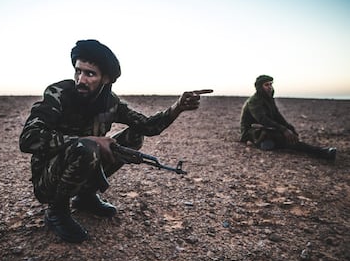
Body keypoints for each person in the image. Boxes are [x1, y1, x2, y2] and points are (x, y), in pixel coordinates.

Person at [19, 39, 212, 243]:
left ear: (106, 78)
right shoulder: (58, 94)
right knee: (87, 147)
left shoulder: (110, 102)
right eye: (78, 71)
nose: (80, 80)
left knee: (134, 135)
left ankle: (85, 196)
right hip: (48, 179)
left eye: (90, 74)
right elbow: (28, 140)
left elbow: (147, 126)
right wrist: (90, 140)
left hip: (83, 162)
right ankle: (56, 211)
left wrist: (178, 107)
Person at [240, 74, 336, 160]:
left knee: (288, 133)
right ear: (259, 87)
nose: (270, 87)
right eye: (266, 85)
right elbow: (263, 119)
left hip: (265, 128)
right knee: (284, 139)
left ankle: (270, 143)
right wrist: (283, 130)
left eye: (270, 84)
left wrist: (288, 127)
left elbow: (277, 115)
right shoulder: (254, 101)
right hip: (252, 131)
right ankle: (321, 152)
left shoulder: (268, 99)